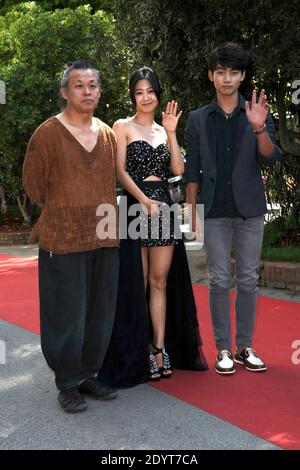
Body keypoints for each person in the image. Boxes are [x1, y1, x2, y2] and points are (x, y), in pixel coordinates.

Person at [100, 66, 208, 388]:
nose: (145, 97)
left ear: (158, 94)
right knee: (139, 282)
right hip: (134, 207)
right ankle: (138, 349)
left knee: (160, 282)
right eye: (139, 92)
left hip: (163, 208)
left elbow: (177, 170)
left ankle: (159, 349)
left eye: (150, 91)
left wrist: (172, 134)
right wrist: (142, 200)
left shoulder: (164, 130)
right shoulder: (122, 126)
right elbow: (119, 171)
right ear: (133, 96)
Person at [23, 59, 119, 412]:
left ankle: (88, 373)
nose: (87, 91)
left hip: (104, 236)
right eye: (79, 85)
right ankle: (66, 382)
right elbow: (33, 186)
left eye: (93, 85)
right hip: (62, 239)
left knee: (99, 312)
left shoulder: (108, 133)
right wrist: (65, 209)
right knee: (66, 313)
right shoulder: (47, 133)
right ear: (65, 92)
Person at [184, 42, 282, 375]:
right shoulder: (197, 119)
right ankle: (223, 349)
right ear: (211, 76)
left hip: (250, 211)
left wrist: (258, 127)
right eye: (221, 72)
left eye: (234, 73)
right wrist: (192, 213)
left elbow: (269, 155)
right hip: (213, 212)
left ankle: (244, 347)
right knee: (219, 281)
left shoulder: (256, 112)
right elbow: (192, 170)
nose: (227, 79)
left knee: (249, 281)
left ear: (242, 77)